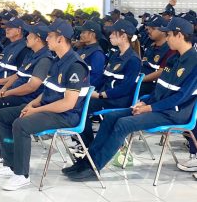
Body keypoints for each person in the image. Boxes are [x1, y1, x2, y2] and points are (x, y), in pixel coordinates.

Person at [64, 17, 197, 181]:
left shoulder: (194, 62)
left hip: (174, 113)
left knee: (124, 123)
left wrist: (149, 108)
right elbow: (160, 89)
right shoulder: (174, 59)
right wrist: (145, 102)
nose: (167, 38)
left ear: (180, 35)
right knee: (111, 117)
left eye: (169, 34)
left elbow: (180, 97)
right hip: (158, 108)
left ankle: (94, 168)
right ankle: (87, 162)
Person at [0, 18, 90, 190]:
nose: (47, 39)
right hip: (48, 109)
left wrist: (36, 110)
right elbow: (48, 91)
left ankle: (21, 174)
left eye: (50, 36)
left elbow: (68, 103)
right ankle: (10, 163)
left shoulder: (75, 65)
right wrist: (31, 105)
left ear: (60, 39)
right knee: (3, 116)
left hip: (65, 115)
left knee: (21, 124)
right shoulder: (57, 60)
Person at [0, 23, 52, 165]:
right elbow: (17, 75)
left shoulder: (44, 59)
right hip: (15, 92)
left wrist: (8, 92)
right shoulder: (32, 53)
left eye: (30, 35)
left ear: (38, 39)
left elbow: (32, 87)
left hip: (27, 98)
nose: (27, 37)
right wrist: (4, 88)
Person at [79, 19, 142, 150]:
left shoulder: (133, 60)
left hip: (117, 100)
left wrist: (100, 95)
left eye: (113, 33)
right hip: (105, 95)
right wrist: (88, 90)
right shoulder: (115, 54)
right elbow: (104, 77)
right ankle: (86, 144)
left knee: (80, 107)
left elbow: (125, 88)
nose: (110, 36)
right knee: (77, 101)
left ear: (123, 36)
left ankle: (87, 146)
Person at [140, 15, 176, 95]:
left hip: (152, 87)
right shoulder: (150, 45)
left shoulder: (170, 49)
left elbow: (161, 72)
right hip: (141, 80)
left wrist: (140, 80)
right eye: (148, 28)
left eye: (153, 28)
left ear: (163, 30)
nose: (148, 30)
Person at [74, 20, 106, 88]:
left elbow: (96, 78)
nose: (80, 35)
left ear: (92, 35)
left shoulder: (97, 54)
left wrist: (77, 84)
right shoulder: (82, 48)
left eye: (83, 32)